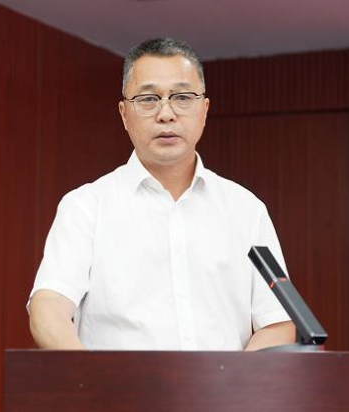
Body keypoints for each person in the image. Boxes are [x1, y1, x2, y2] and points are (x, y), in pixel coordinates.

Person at [28, 38, 295, 351]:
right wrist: (90, 375)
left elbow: (279, 320)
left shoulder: (247, 210)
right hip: (116, 384)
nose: (166, 114)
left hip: (224, 385)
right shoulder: (85, 207)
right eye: (148, 99)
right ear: (124, 114)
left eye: (182, 97)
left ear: (204, 109)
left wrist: (234, 378)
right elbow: (48, 307)